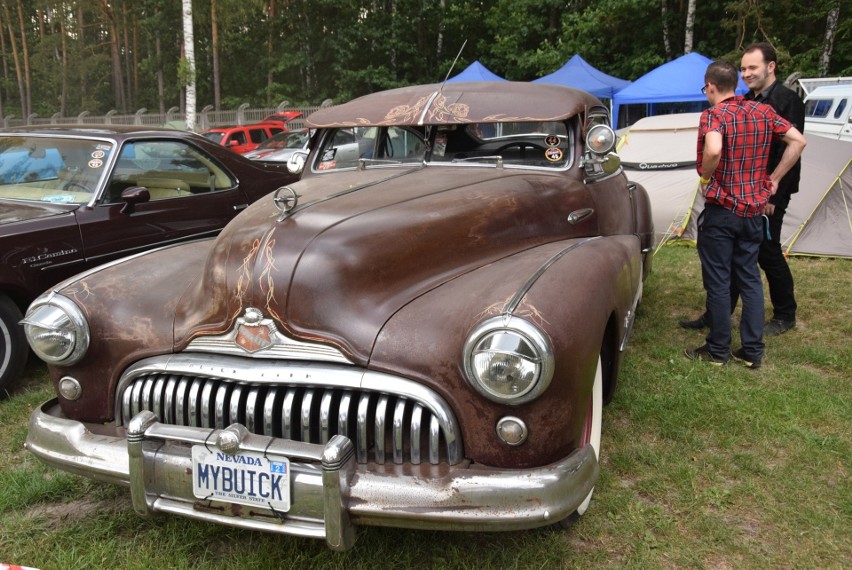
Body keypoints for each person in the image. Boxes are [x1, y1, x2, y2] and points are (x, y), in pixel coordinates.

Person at [685, 61, 806, 367]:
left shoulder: (713, 115)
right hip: (753, 212)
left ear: (711, 86)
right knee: (750, 279)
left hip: (723, 211)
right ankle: (752, 352)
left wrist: (705, 178)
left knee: (719, 280)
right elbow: (798, 140)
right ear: (735, 84)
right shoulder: (762, 111)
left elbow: (713, 150)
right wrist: (775, 178)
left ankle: (717, 350)